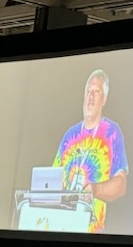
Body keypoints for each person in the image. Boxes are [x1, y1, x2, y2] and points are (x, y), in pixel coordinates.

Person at [54, 69, 128, 233]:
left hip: (92, 233)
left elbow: (121, 184)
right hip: (60, 227)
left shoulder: (112, 133)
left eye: (96, 92)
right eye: (88, 91)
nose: (91, 97)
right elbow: (52, 179)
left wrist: (94, 190)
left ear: (104, 99)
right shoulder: (70, 134)